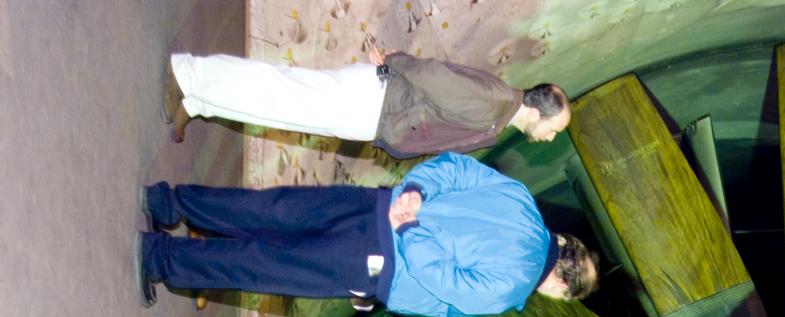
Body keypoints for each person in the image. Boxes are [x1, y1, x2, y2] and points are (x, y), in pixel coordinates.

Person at [134, 151, 598, 315]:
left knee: (269, 209)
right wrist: (411, 230)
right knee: (263, 265)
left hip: (376, 203)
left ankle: (167, 201)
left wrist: (414, 191)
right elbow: (446, 282)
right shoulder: (513, 286)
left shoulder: (520, 198)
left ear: (564, 241)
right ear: (560, 284)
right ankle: (160, 258)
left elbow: (456, 167)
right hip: (379, 261)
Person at [162, 45, 571, 155]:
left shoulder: (497, 119)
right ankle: (188, 73)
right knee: (278, 90)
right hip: (373, 101)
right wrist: (395, 60)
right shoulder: (494, 102)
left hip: (375, 115)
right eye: (554, 130)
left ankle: (198, 102)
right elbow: (434, 78)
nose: (551, 138)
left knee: (279, 109)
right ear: (537, 112)